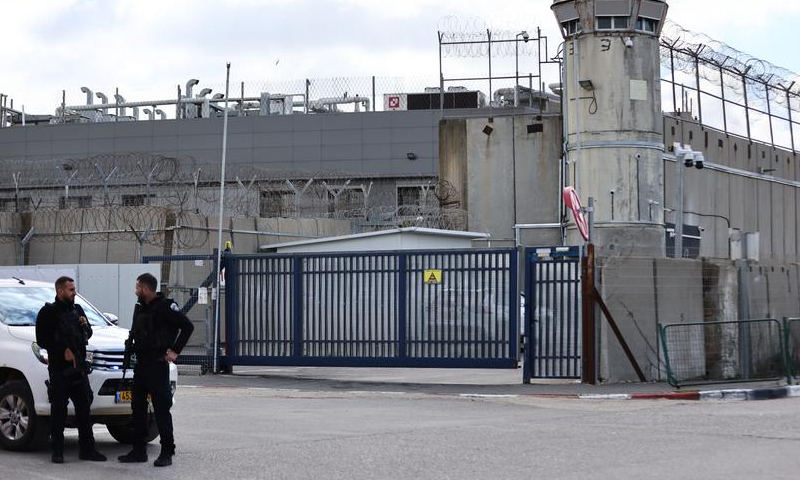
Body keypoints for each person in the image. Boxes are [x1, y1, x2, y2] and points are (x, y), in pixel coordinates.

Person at [118, 273, 194, 467]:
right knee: (138, 409)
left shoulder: (165, 307)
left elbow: (187, 326)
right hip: (141, 366)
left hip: (158, 365)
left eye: (137, 288)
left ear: (145, 288)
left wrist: (175, 351)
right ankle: (138, 451)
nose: (136, 291)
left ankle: (167, 451)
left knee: (161, 410)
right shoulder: (141, 308)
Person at [35, 276, 107, 464]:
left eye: (74, 289)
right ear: (60, 291)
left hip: (79, 368)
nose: (74, 293)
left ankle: (88, 450)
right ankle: (57, 451)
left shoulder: (77, 309)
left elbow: (87, 334)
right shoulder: (47, 312)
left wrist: (85, 325)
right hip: (60, 369)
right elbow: (42, 339)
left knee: (84, 409)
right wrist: (62, 349)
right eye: (71, 290)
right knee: (59, 411)